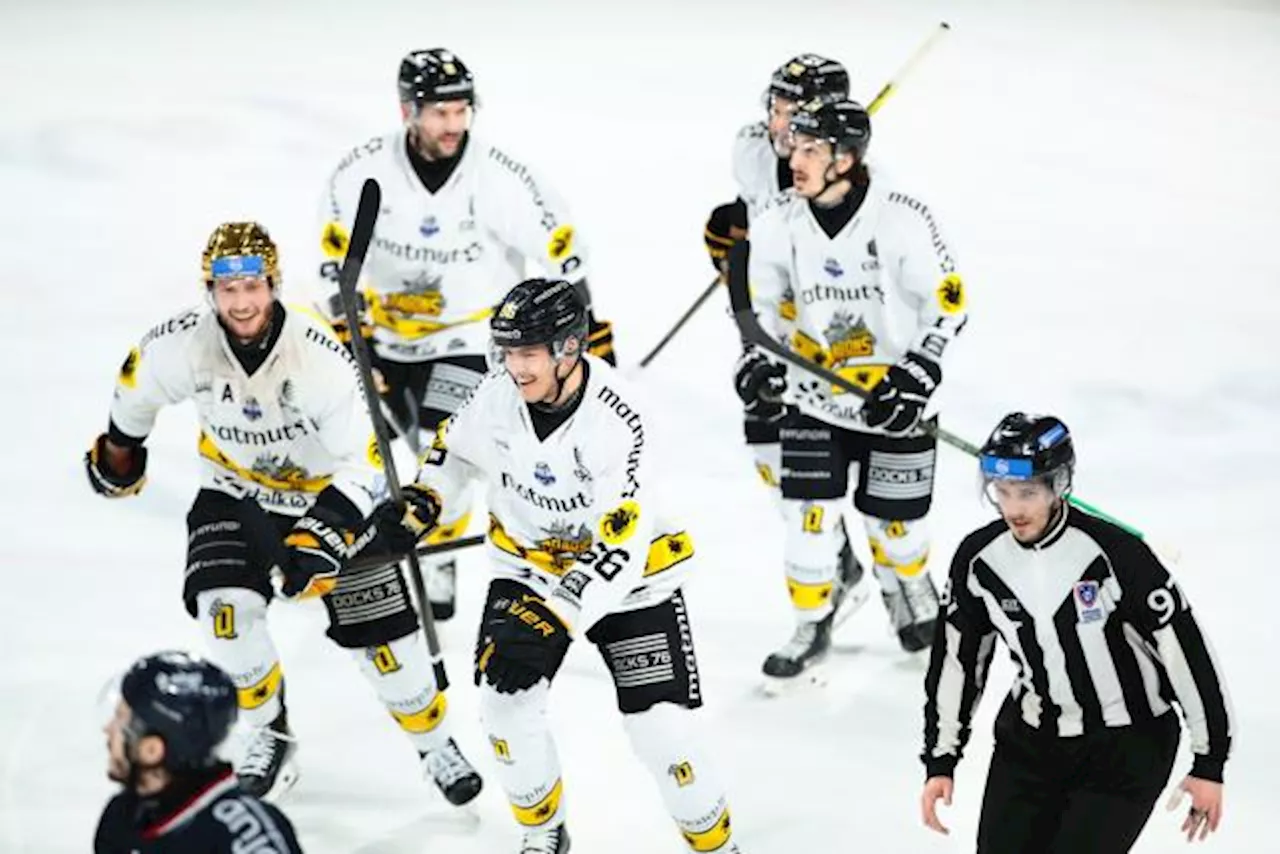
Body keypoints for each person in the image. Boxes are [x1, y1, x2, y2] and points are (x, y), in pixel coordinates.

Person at [84, 222, 483, 805]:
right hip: (235, 494)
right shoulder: (182, 344)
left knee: (390, 652)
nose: (241, 302)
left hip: (333, 501)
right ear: (210, 291)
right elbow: (135, 391)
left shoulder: (319, 356)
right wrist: (121, 450)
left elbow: (368, 464)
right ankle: (269, 732)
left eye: (253, 287)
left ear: (273, 285)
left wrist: (320, 537)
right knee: (226, 611)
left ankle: (435, 744)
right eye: (227, 289)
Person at [377, 278, 743, 853]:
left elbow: (619, 547)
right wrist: (423, 501)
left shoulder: (621, 419)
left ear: (569, 349)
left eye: (527, 353)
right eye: (507, 352)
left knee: (662, 731)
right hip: (527, 566)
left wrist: (560, 611)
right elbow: (453, 451)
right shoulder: (498, 393)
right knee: (504, 706)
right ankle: (544, 834)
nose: (514, 367)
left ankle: (718, 848)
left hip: (631, 581)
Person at [312, 47, 617, 623]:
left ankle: (436, 558)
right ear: (408, 112)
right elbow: (333, 258)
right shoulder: (363, 170)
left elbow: (563, 250)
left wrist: (588, 332)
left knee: (439, 444)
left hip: (469, 339)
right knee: (375, 448)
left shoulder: (498, 176)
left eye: (461, 111)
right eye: (440, 113)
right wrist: (347, 333)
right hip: (385, 340)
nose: (454, 125)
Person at [919, 412, 1235, 852]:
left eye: (1027, 493)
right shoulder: (979, 560)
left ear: (1057, 484)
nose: (1013, 508)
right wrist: (941, 759)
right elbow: (957, 661)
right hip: (1030, 746)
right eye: (1002, 492)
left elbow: (1184, 652)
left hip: (1126, 751)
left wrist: (1209, 761)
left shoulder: (1117, 556)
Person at [742, 97, 970, 681]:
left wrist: (919, 372)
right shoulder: (777, 223)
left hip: (894, 408)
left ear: (846, 157)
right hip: (814, 402)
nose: (796, 159)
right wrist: (758, 363)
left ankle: (910, 586)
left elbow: (947, 305)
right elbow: (759, 311)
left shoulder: (901, 218)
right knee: (808, 521)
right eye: (796, 146)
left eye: (812, 149)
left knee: (898, 532)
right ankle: (811, 622)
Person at [702, 56, 870, 676]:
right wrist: (731, 256)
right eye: (772, 105)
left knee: (827, 495)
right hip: (769, 338)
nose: (774, 121)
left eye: (789, 111)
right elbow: (757, 236)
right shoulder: (750, 150)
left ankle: (828, 599)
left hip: (837, 347)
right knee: (774, 469)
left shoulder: (861, 185)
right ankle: (840, 561)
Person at [94, 650, 305, 852]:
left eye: (120, 719)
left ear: (152, 750)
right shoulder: (124, 817)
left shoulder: (244, 835)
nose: (108, 729)